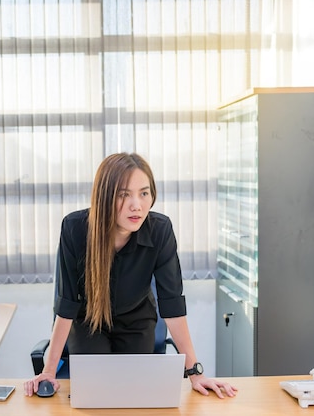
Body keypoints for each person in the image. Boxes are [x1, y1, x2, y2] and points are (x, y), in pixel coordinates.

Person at [24, 152, 237, 399]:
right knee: (95, 393)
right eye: (124, 194)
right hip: (89, 320)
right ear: (104, 196)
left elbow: (172, 304)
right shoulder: (75, 229)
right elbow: (67, 302)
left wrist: (195, 372)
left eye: (144, 193)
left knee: (136, 394)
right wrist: (48, 371)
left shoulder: (160, 230)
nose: (137, 205)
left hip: (137, 319)